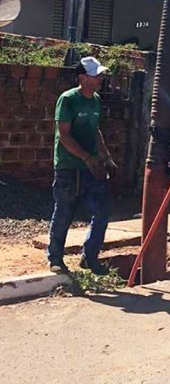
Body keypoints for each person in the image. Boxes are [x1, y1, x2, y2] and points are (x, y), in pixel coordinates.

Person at [47, 55, 117, 275]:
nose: (100, 78)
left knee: (102, 211)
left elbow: (95, 132)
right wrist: (87, 158)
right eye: (96, 75)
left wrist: (106, 158)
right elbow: (64, 136)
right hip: (69, 167)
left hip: (92, 167)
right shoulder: (68, 99)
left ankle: (90, 257)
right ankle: (56, 259)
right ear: (83, 77)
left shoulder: (95, 100)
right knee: (64, 212)